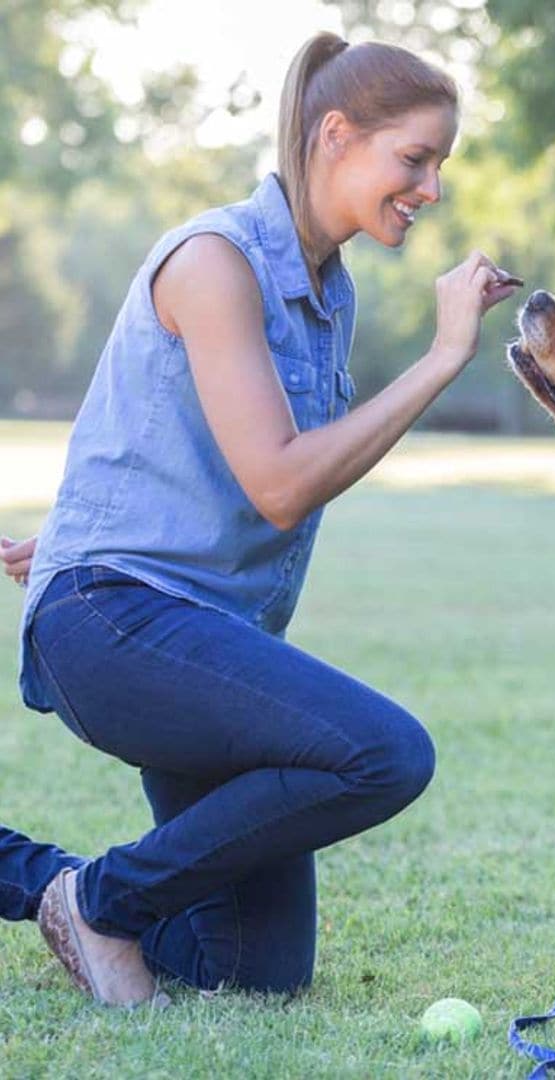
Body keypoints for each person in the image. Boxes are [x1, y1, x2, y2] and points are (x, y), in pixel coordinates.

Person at [0, 31, 521, 1005]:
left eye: (440, 164)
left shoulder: (330, 295)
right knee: (385, 753)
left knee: (250, 973)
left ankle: (49, 888)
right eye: (415, 158)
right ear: (336, 135)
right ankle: (103, 903)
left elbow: (181, 438)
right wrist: (444, 357)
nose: (432, 187)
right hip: (118, 625)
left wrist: (85, 529)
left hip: (184, 628)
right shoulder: (215, 260)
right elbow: (281, 483)